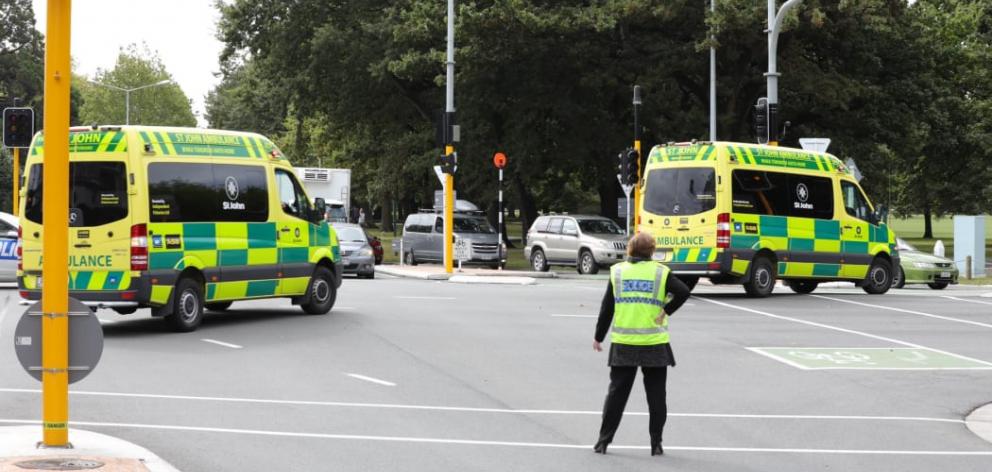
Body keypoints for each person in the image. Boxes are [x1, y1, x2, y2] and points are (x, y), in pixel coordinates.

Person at [592, 231, 690, 456]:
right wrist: (667, 310)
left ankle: (603, 441)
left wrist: (599, 336)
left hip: (624, 343)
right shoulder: (661, 273)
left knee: (617, 394)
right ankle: (656, 443)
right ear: (652, 250)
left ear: (630, 250)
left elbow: (607, 308)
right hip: (654, 342)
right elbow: (683, 291)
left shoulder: (617, 272)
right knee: (656, 396)